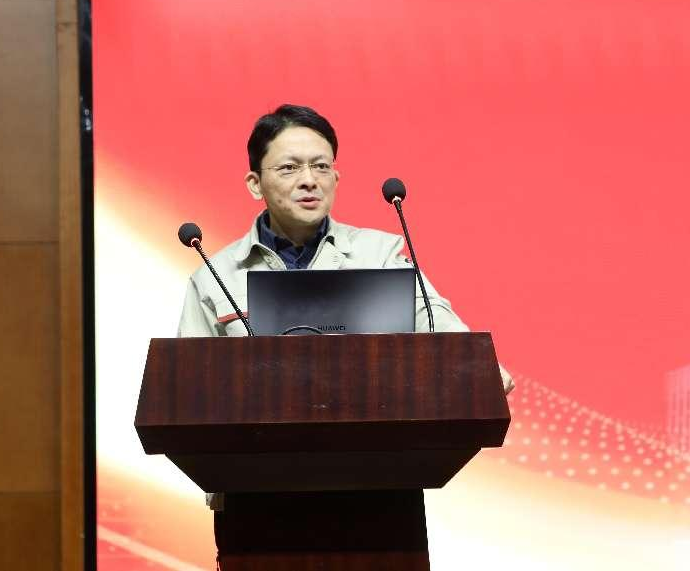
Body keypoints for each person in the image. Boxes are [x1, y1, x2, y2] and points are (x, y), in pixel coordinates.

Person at [176, 103, 513, 394]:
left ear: (336, 179)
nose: (309, 180)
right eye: (289, 168)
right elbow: (188, 384)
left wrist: (477, 366)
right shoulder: (215, 277)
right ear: (255, 184)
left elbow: (435, 322)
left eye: (321, 166)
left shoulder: (380, 255)